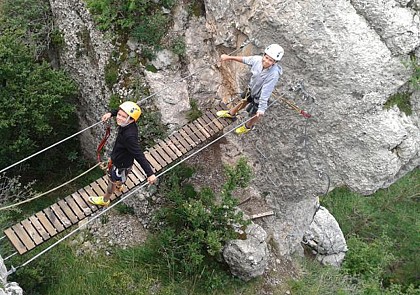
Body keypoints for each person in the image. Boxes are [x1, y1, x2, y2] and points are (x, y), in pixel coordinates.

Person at [88, 101, 157, 206]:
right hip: (126, 161)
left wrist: (150, 173)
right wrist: (111, 113)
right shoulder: (129, 123)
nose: (119, 118)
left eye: (122, 117)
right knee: (123, 176)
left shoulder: (129, 136)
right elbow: (122, 112)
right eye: (119, 115)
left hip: (119, 163)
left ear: (131, 119)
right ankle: (120, 185)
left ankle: (105, 200)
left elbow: (139, 154)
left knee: (112, 182)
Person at [217, 44, 284, 134]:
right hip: (252, 89)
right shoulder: (257, 60)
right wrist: (229, 57)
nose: (266, 61)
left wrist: (262, 108)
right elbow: (245, 59)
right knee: (244, 100)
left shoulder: (273, 74)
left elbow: (266, 91)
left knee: (255, 114)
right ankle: (231, 113)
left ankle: (247, 127)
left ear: (275, 62)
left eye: (270, 60)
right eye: (266, 57)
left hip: (260, 96)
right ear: (264, 55)